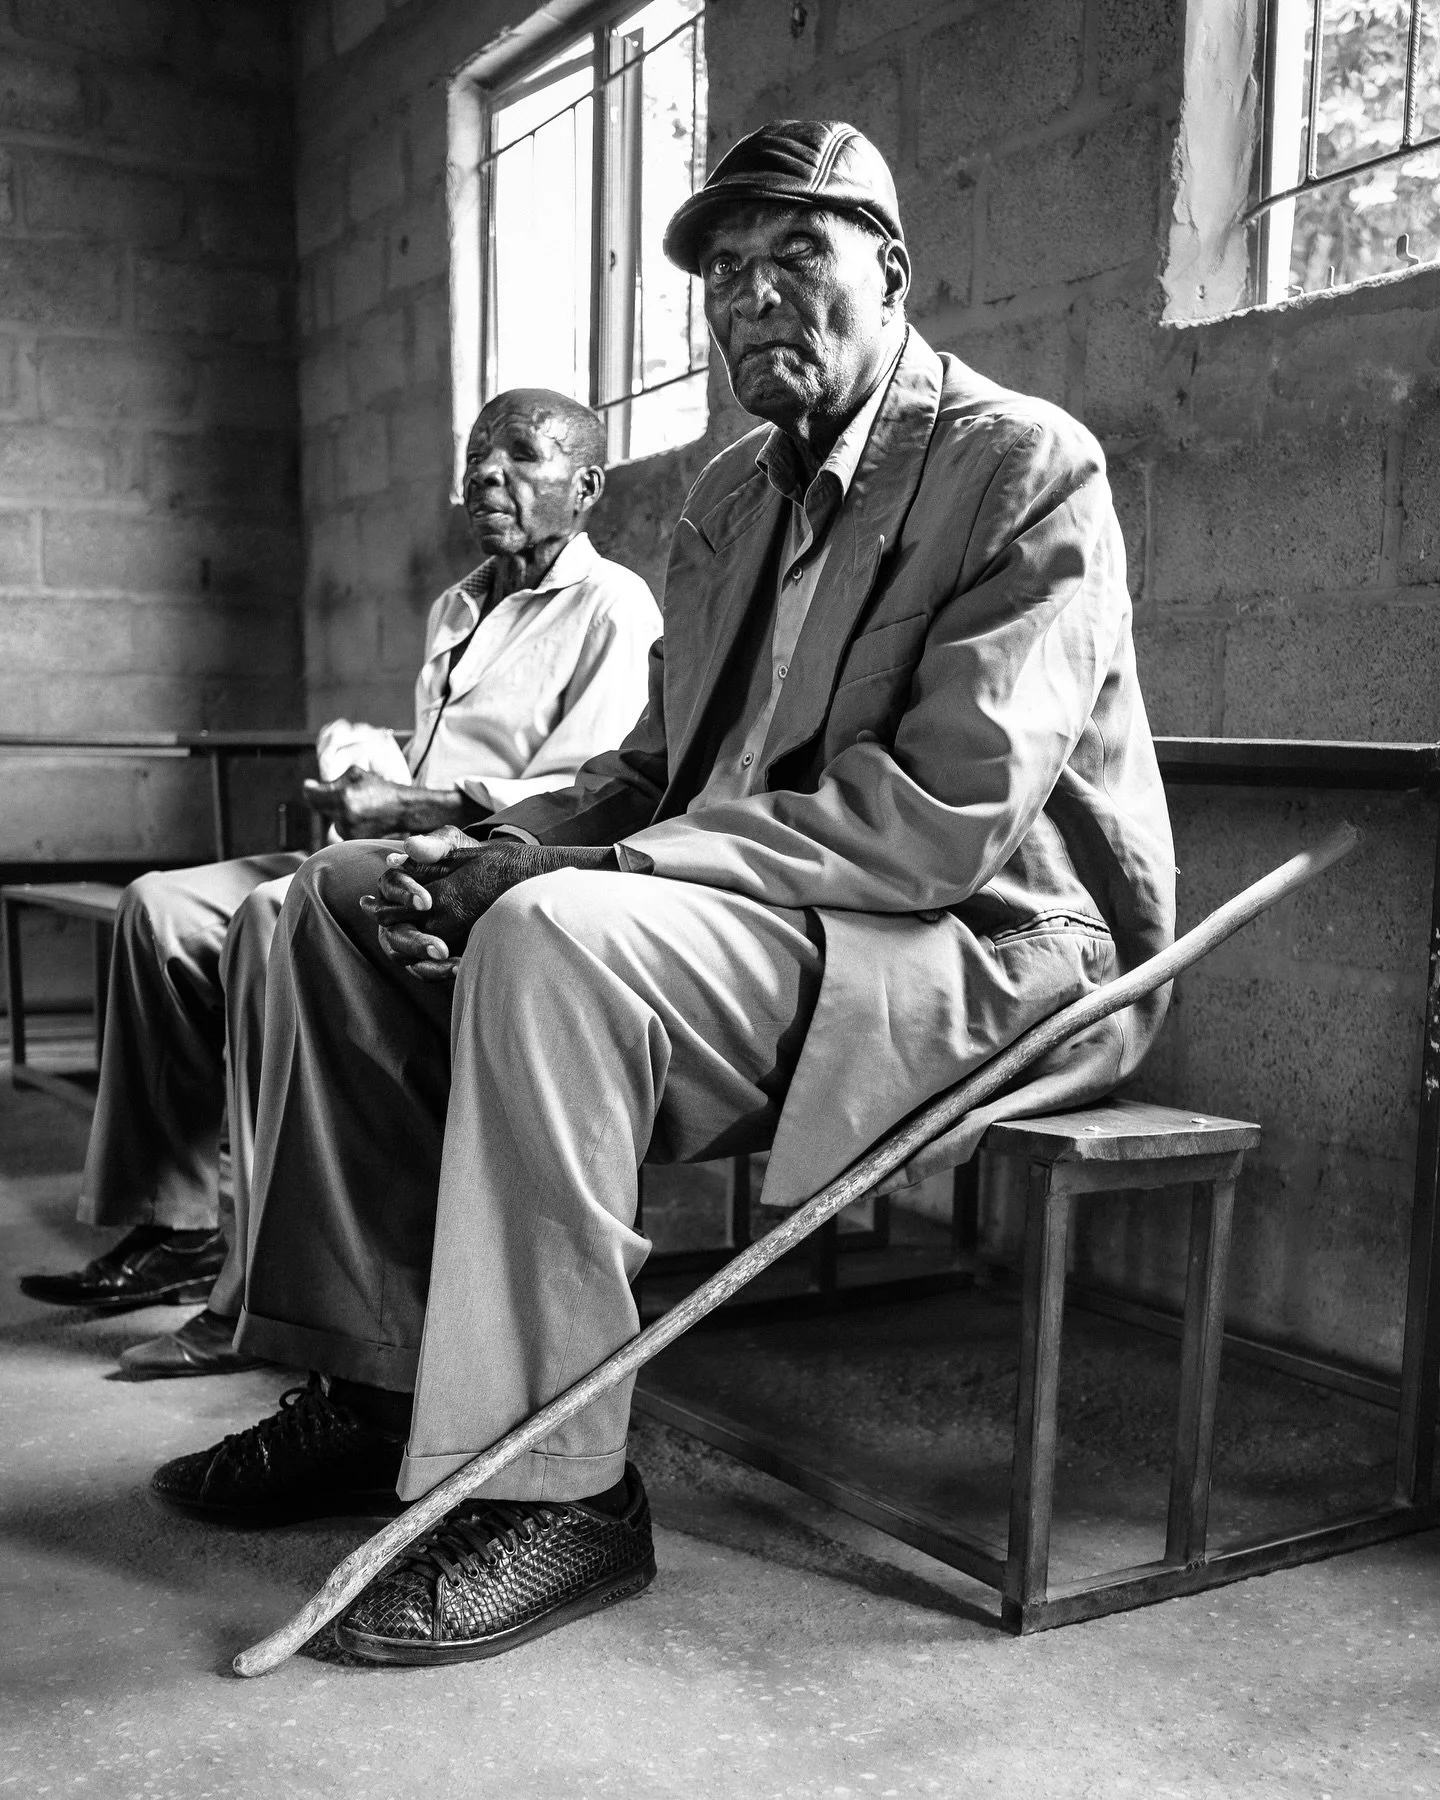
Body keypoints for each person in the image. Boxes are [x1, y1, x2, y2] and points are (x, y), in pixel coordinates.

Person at [152, 120, 1175, 1666]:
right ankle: (379, 1387)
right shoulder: (727, 501)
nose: (753, 300)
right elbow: (654, 764)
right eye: (726, 276)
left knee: (558, 932)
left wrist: (575, 869)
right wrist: (483, 840)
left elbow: (942, 820)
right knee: (330, 900)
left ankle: (560, 1494)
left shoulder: (1019, 465)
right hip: (749, 915)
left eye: (797, 258)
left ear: (890, 271)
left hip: (972, 946)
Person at [19, 390, 661, 1381]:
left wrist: (410, 806)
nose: (488, 474)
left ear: (585, 488)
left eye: (520, 457)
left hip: (474, 868)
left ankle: (253, 1297)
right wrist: (373, 764)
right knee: (156, 907)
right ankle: (182, 1225)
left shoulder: (612, 608)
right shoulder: (460, 602)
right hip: (398, 839)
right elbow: (443, 748)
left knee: (269, 920)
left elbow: (583, 792)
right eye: (478, 456)